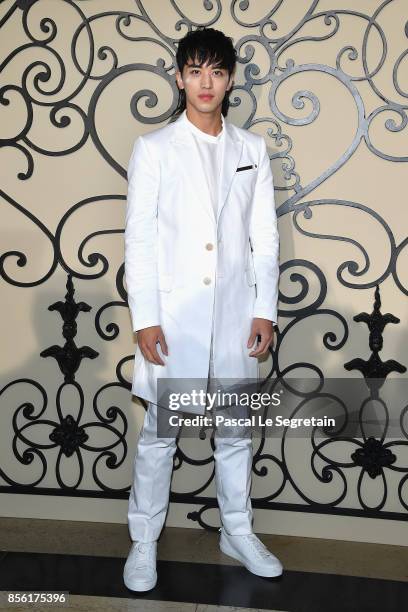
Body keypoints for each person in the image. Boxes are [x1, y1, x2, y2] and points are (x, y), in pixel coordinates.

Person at [123, 27, 282, 592]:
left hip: (237, 317)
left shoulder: (252, 150)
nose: (205, 82)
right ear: (179, 77)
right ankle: (144, 539)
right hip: (174, 319)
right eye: (194, 71)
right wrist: (146, 316)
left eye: (216, 71)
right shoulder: (154, 149)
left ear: (231, 77)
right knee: (160, 435)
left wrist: (264, 308)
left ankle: (236, 529)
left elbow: (264, 234)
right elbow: (138, 239)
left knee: (235, 432)